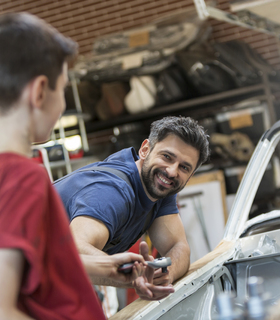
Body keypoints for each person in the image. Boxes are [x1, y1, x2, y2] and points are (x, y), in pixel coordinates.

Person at [0, 12, 144, 319]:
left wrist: (107, 268)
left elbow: (30, 269)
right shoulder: (20, 177)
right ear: (40, 91)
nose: (62, 104)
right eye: (63, 89)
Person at [54, 116, 210, 301]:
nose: (171, 171)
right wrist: (136, 277)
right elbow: (75, 251)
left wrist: (165, 275)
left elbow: (178, 247)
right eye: (167, 157)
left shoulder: (159, 188)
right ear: (145, 150)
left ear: (190, 176)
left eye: (184, 167)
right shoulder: (112, 192)